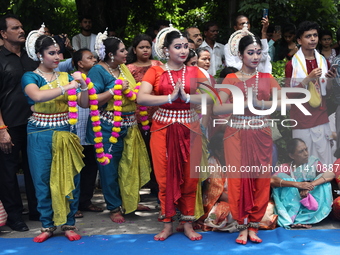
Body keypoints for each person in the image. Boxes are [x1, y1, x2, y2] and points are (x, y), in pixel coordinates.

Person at [137, 25, 212, 241]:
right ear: (166, 50)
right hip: (163, 129)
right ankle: (167, 223)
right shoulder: (155, 70)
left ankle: (187, 224)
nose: (183, 51)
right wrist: (169, 98)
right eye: (177, 47)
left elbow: (210, 98)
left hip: (190, 129)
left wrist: (187, 98)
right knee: (164, 179)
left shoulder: (195, 71)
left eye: (185, 47)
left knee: (190, 179)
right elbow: (141, 98)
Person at [213, 34, 282, 244]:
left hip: (261, 133)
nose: (255, 56)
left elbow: (280, 105)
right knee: (238, 181)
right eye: (250, 52)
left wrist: (259, 105)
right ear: (240, 55)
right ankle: (242, 225)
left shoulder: (268, 78)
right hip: (236, 134)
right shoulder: (231, 79)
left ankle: (254, 225)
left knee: (260, 180)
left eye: (258, 52)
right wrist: (242, 104)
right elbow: (217, 108)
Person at [22, 28, 89, 242]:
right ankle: (47, 225)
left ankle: (69, 224)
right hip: (39, 133)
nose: (58, 57)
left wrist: (84, 86)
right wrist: (67, 87)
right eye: (52, 53)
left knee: (71, 178)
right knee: (42, 180)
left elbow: (84, 103)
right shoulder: (30, 76)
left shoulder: (66, 76)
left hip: (64, 132)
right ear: (39, 55)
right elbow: (37, 96)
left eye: (59, 52)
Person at [86, 31, 151, 223]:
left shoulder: (123, 69)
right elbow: (92, 100)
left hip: (130, 125)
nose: (126, 53)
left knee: (130, 165)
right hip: (107, 127)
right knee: (110, 169)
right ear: (111, 54)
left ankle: (130, 200)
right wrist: (113, 91)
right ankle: (114, 206)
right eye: (122, 51)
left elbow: (132, 92)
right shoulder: (98, 71)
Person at [0, 13, 39, 232]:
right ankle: (14, 215)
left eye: (22, 27)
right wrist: (1, 129)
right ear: (3, 34)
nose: (21, 30)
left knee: (35, 168)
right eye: (15, 28)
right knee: (8, 172)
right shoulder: (0, 59)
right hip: (9, 125)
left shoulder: (32, 58)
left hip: (36, 123)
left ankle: (37, 210)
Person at [285, 21, 336, 166]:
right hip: (301, 119)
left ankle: (326, 188)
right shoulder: (291, 65)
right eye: (308, 36)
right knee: (305, 162)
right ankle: (305, 188)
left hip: (321, 116)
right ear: (299, 40)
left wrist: (330, 80)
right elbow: (289, 95)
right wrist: (307, 79)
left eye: (315, 35)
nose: (313, 39)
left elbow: (328, 92)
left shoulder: (323, 61)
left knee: (325, 160)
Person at [126, 33, 163, 202]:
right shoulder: (129, 68)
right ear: (134, 49)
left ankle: (158, 187)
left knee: (158, 152)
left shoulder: (158, 65)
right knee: (141, 152)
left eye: (148, 47)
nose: (145, 50)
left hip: (159, 114)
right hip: (138, 116)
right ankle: (139, 188)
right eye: (141, 47)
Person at [271, 138, 334, 228]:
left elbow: (330, 174)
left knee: (324, 181)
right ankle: (294, 218)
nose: (306, 153)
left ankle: (307, 218)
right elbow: (272, 180)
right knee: (281, 177)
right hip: (294, 200)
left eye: (306, 149)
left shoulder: (313, 162)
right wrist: (297, 185)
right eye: (301, 151)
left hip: (310, 199)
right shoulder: (286, 167)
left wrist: (310, 186)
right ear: (292, 155)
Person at [72, 49, 103, 218]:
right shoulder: (72, 79)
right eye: (89, 58)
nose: (94, 59)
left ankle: (86, 201)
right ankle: (73, 204)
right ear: (80, 63)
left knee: (91, 167)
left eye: (94, 57)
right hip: (76, 128)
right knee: (75, 169)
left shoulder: (96, 78)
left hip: (93, 130)